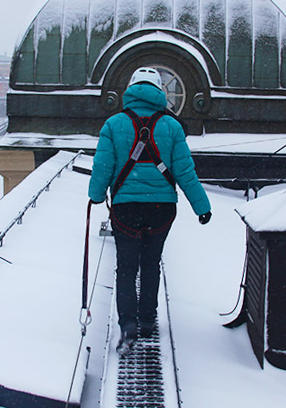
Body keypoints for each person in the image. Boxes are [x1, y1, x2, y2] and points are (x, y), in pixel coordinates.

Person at [88, 67, 212, 356]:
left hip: (125, 209)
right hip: (161, 209)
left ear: (130, 89)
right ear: (160, 92)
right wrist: (201, 206)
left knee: (126, 268)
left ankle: (128, 325)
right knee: (151, 263)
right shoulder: (172, 127)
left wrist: (95, 196)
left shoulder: (113, 124)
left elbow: (103, 167)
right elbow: (185, 172)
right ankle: (147, 320)